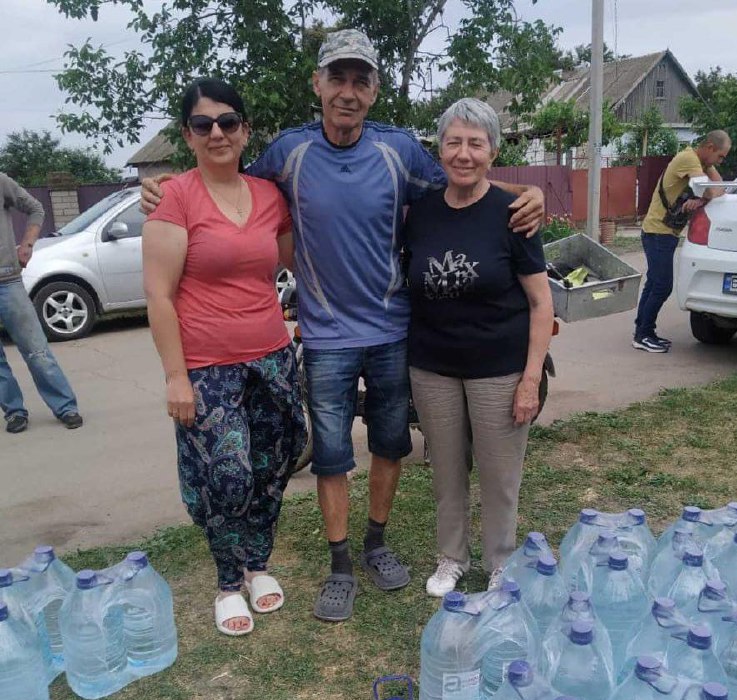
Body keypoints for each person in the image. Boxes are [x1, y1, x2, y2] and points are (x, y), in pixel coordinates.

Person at [142, 29, 545, 622]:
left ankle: (376, 542)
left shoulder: (400, 150)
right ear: (319, 84)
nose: (348, 92)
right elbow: (222, 172)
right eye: (338, 78)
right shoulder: (288, 153)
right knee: (330, 453)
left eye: (361, 80)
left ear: (375, 89)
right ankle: (339, 562)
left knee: (389, 444)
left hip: (391, 331)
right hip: (325, 336)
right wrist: (162, 187)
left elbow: (468, 183)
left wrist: (528, 189)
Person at [142, 78, 307, 636]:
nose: (217, 133)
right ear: (188, 136)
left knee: (274, 464)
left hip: (271, 357)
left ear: (245, 131)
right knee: (228, 476)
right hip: (208, 368)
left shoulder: (267, 196)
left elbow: (285, 266)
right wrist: (175, 376)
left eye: (228, 122)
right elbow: (158, 295)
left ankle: (258, 565)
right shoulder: (176, 197)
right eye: (203, 124)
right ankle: (227, 582)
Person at [402, 98, 554, 595]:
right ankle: (451, 558)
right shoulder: (420, 214)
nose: (463, 153)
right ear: (439, 149)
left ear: (492, 151)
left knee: (498, 473)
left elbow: (540, 302)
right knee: (446, 471)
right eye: (453, 142)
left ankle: (500, 562)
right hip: (432, 368)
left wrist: (531, 378)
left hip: (499, 369)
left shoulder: (514, 215)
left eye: (475, 143)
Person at [634, 130, 731, 353]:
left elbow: (721, 187)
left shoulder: (701, 163)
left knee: (654, 284)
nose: (721, 161)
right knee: (662, 286)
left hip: (661, 232)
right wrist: (702, 198)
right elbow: (709, 190)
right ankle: (644, 334)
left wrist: (702, 196)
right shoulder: (689, 159)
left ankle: (642, 331)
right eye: (720, 156)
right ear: (709, 147)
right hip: (658, 232)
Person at [0, 172, 83, 433]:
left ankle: (65, 406)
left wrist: (27, 245)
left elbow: (35, 209)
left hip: (6, 281)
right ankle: (14, 412)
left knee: (36, 350)